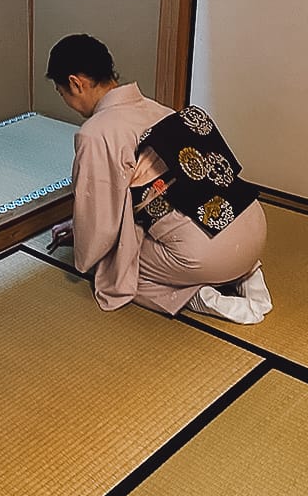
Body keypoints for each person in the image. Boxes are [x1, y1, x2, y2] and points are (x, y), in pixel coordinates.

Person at [46, 33, 272, 324]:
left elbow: (100, 227)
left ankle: (199, 296)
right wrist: (78, 223)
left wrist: (83, 247)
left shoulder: (96, 132)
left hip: (208, 255)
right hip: (253, 229)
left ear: (76, 83)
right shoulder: (156, 109)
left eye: (62, 92)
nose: (66, 101)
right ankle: (248, 275)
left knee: (112, 268)